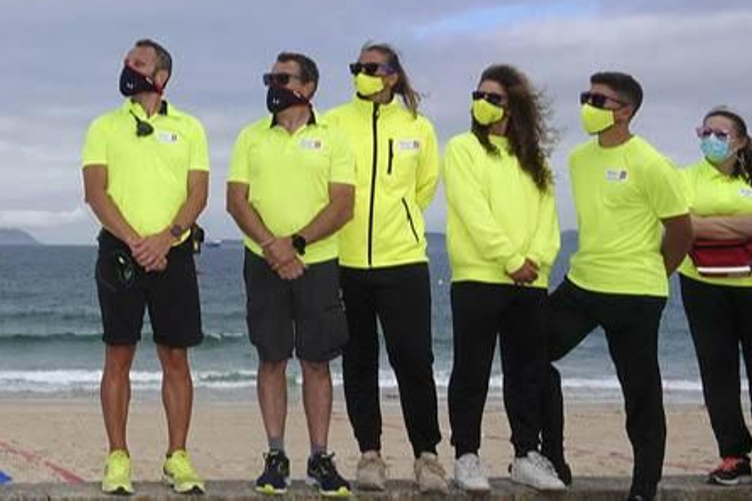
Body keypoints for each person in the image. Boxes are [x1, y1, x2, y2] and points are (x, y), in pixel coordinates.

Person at [541, 72, 693, 501]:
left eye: (598, 99)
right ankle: (553, 460)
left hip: (636, 293)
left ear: (625, 111)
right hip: (582, 283)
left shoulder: (651, 163)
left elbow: (681, 230)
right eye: (586, 96)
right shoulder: (577, 159)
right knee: (529, 356)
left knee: (640, 391)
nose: (588, 104)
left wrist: (654, 271)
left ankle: (645, 488)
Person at [82, 39, 210, 495]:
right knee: (119, 354)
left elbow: (198, 193)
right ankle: (118, 456)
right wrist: (135, 241)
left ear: (160, 76)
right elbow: (96, 192)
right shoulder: (103, 126)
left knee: (175, 357)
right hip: (120, 253)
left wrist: (166, 238)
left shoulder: (190, 127)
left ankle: (177, 456)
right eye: (125, 62)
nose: (127, 68)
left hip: (172, 253)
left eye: (137, 63)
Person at [227, 52, 355, 496]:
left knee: (316, 361)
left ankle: (319, 457)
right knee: (271, 357)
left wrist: (294, 244)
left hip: (317, 263)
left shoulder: (334, 138)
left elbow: (342, 204)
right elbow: (237, 201)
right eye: (270, 77)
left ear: (309, 86)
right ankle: (276, 455)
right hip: (263, 262)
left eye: (282, 78)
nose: (274, 84)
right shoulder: (250, 137)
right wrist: (272, 247)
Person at [320, 43, 445, 491]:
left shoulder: (418, 127)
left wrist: (401, 222)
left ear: (392, 75)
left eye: (370, 68)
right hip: (347, 262)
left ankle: (427, 455)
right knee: (358, 359)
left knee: (413, 359)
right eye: (356, 67)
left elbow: (425, 187)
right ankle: (369, 453)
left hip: (404, 261)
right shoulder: (334, 122)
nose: (361, 74)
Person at [442, 65, 566, 492]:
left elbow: (549, 220)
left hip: (530, 282)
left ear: (513, 106)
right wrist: (510, 258)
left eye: (493, 97)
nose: (482, 102)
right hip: (479, 278)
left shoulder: (535, 160)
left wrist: (535, 259)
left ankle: (525, 454)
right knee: (471, 371)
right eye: (479, 94)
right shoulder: (461, 149)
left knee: (526, 372)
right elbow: (472, 211)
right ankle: (466, 456)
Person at [677, 107, 752, 489]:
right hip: (701, 284)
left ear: (741, 141)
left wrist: (708, 226)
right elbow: (684, 225)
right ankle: (733, 453)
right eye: (705, 132)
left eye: (720, 133)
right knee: (717, 371)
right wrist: (742, 226)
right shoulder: (683, 178)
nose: (710, 140)